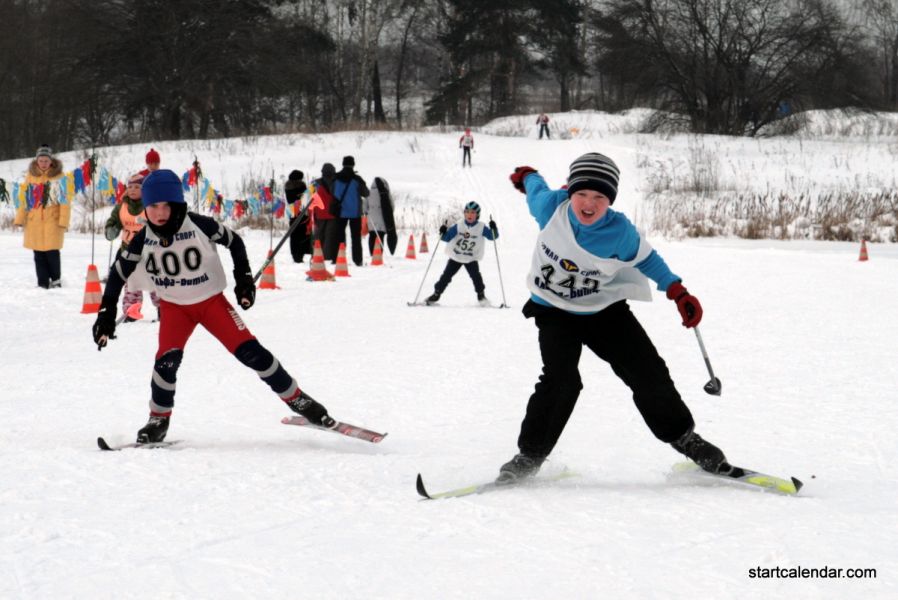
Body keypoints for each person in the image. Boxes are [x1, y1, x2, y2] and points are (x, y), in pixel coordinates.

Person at [499, 153, 727, 484]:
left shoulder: (619, 231)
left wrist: (678, 292)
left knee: (647, 369)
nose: (588, 204)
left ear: (610, 200)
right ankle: (529, 456)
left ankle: (685, 438)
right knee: (560, 381)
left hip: (602, 309)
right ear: (570, 193)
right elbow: (536, 187)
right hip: (552, 309)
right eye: (581, 194)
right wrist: (528, 175)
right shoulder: (551, 207)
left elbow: (649, 261)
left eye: (599, 197)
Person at [91, 169, 337, 443]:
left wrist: (243, 280)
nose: (160, 213)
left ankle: (299, 400)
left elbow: (235, 242)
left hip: (211, 303)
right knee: (166, 363)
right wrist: (106, 313)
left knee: (251, 352)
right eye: (153, 206)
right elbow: (117, 274)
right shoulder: (142, 238)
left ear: (177, 205)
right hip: (174, 308)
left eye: (166, 206)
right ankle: (158, 419)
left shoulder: (198, 224)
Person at [104, 172, 160, 320]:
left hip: (150, 252)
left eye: (137, 187)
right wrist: (111, 230)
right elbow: (113, 222)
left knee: (156, 282)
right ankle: (131, 311)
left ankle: (164, 309)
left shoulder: (151, 205)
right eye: (130, 187)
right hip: (128, 250)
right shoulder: (121, 207)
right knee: (131, 283)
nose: (132, 190)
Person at [14, 145, 68, 289]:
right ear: (37, 160)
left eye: (46, 160)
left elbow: (65, 201)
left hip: (53, 220)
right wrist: (20, 218)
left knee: (52, 252)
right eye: (41, 160)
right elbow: (25, 199)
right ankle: (42, 282)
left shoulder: (60, 177)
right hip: (34, 221)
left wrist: (63, 220)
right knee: (38, 254)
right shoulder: (31, 177)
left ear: (51, 161)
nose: (43, 163)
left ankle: (56, 280)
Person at [425, 201, 498, 307]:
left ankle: (481, 296)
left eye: (473, 212)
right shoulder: (459, 225)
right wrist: (442, 232)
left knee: (476, 277)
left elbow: (493, 236)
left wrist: (493, 228)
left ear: (477, 214)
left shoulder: (481, 227)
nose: (469, 215)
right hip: (456, 256)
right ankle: (436, 294)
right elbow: (446, 238)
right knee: (446, 276)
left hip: (471, 258)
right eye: (467, 212)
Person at [332, 156, 369, 266]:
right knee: (356, 237)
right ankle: (357, 260)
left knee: (339, 236)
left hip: (340, 211)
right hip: (355, 213)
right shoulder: (357, 179)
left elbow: (331, 192)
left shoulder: (336, 178)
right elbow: (366, 193)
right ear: (353, 165)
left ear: (343, 164)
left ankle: (338, 258)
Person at [311, 163, 339, 262]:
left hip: (320, 213)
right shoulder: (337, 183)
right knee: (330, 236)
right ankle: (327, 256)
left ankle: (316, 255)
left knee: (318, 235)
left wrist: (313, 213)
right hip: (333, 214)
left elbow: (312, 199)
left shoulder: (315, 183)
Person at [364, 176, 397, 256]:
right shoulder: (385, 193)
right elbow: (391, 206)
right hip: (382, 219)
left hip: (371, 220)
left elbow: (364, 207)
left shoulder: (368, 192)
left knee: (372, 236)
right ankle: (379, 254)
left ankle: (372, 253)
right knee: (380, 236)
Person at [284, 170, 312, 263]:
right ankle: (302, 253)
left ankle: (296, 255)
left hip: (292, 214)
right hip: (302, 213)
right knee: (303, 234)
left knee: (294, 235)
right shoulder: (301, 186)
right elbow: (305, 198)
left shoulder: (287, 186)